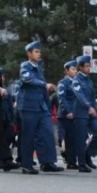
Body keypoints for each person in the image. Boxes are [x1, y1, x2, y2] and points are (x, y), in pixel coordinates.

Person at [17, 42, 62, 174]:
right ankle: (26, 165)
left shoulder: (39, 68)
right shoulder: (25, 66)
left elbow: (42, 90)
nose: (38, 54)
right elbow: (27, 80)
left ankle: (47, 162)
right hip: (29, 106)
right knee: (28, 136)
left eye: (39, 52)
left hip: (41, 107)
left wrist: (47, 105)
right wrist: (45, 84)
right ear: (29, 53)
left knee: (47, 133)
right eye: (36, 52)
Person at [72, 55, 97, 170]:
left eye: (89, 65)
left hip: (91, 112)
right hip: (81, 112)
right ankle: (81, 164)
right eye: (86, 66)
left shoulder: (89, 80)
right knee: (81, 139)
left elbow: (93, 96)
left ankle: (88, 154)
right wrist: (89, 107)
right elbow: (79, 95)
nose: (89, 68)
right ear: (80, 67)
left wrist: (94, 109)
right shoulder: (76, 80)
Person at [57, 60, 84, 170]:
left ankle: (72, 159)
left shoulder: (76, 82)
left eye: (75, 69)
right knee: (70, 138)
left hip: (76, 113)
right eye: (73, 69)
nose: (75, 71)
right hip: (66, 115)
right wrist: (68, 111)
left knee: (75, 138)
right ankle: (71, 162)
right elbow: (62, 99)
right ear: (66, 71)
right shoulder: (63, 83)